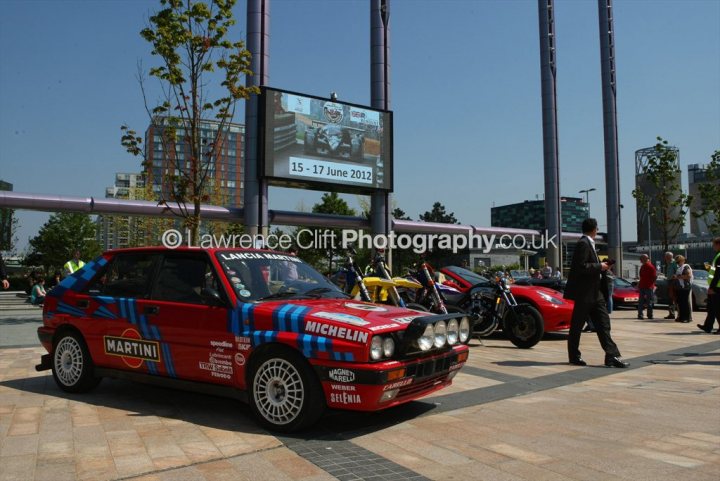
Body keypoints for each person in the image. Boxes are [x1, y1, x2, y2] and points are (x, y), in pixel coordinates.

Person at [563, 218, 628, 368]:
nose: (597, 231)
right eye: (597, 229)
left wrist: (603, 266)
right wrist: (600, 266)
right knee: (577, 326)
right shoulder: (583, 244)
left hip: (595, 292)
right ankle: (574, 356)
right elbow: (581, 267)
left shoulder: (588, 244)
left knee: (604, 323)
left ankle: (612, 356)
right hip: (585, 293)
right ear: (594, 229)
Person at [698, 237, 720, 334]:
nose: (713, 247)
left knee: (717, 308)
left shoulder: (719, 256)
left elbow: (718, 274)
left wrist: (712, 287)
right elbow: (715, 271)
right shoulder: (717, 255)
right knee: (711, 308)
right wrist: (710, 268)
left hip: (717, 287)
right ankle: (708, 326)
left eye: (714, 245)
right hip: (716, 286)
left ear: (718, 244)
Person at [637, 254, 657, 320]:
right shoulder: (647, 266)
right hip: (646, 286)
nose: (640, 260)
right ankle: (649, 315)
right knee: (649, 301)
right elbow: (654, 277)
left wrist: (651, 284)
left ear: (645, 259)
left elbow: (654, 277)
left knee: (642, 302)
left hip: (647, 286)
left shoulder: (648, 267)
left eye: (641, 259)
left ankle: (641, 315)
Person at [673, 255, 693, 323]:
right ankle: (681, 317)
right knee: (680, 303)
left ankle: (686, 318)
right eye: (676, 262)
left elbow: (688, 276)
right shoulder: (679, 268)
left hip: (685, 287)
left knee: (684, 303)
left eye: (678, 261)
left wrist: (678, 277)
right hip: (680, 288)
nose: (677, 263)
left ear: (682, 260)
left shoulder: (686, 267)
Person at [663, 252, 678, 319]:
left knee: (673, 298)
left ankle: (676, 314)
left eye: (666, 257)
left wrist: (673, 279)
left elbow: (677, 272)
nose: (665, 258)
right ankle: (671, 314)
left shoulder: (674, 263)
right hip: (669, 281)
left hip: (673, 282)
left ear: (669, 257)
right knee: (670, 299)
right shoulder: (668, 263)